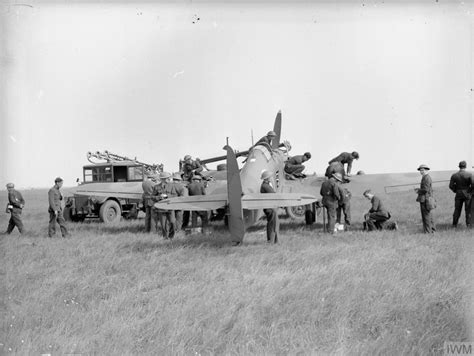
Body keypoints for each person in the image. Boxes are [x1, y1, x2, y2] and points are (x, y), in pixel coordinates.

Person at [155, 171, 186, 239]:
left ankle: (171, 236)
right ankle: (165, 237)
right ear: (162, 179)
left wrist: (167, 196)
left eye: (168, 178)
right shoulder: (156, 187)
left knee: (172, 222)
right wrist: (158, 197)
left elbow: (174, 195)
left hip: (170, 208)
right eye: (166, 178)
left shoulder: (172, 186)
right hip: (161, 209)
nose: (168, 179)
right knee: (163, 225)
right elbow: (153, 197)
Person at [449, 160, 472, 228]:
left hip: (458, 194)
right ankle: (468, 225)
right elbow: (473, 185)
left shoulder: (454, 175)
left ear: (459, 166)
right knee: (468, 210)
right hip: (467, 194)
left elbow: (451, 186)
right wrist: (469, 191)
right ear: (465, 166)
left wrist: (456, 190)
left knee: (457, 210)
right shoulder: (469, 174)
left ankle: (454, 225)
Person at [415, 164, 436, 233]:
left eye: (422, 170)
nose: (421, 172)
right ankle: (432, 230)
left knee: (426, 216)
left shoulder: (426, 178)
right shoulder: (426, 177)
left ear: (426, 170)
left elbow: (425, 189)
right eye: (420, 170)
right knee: (429, 216)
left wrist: (418, 190)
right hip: (428, 199)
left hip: (425, 199)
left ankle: (427, 232)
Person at [260, 170, 279, 243]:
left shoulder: (266, 185)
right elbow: (273, 194)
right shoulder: (266, 186)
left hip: (269, 207)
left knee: (273, 223)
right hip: (269, 207)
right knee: (272, 223)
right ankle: (271, 240)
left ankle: (274, 240)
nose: (271, 178)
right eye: (270, 177)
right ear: (267, 178)